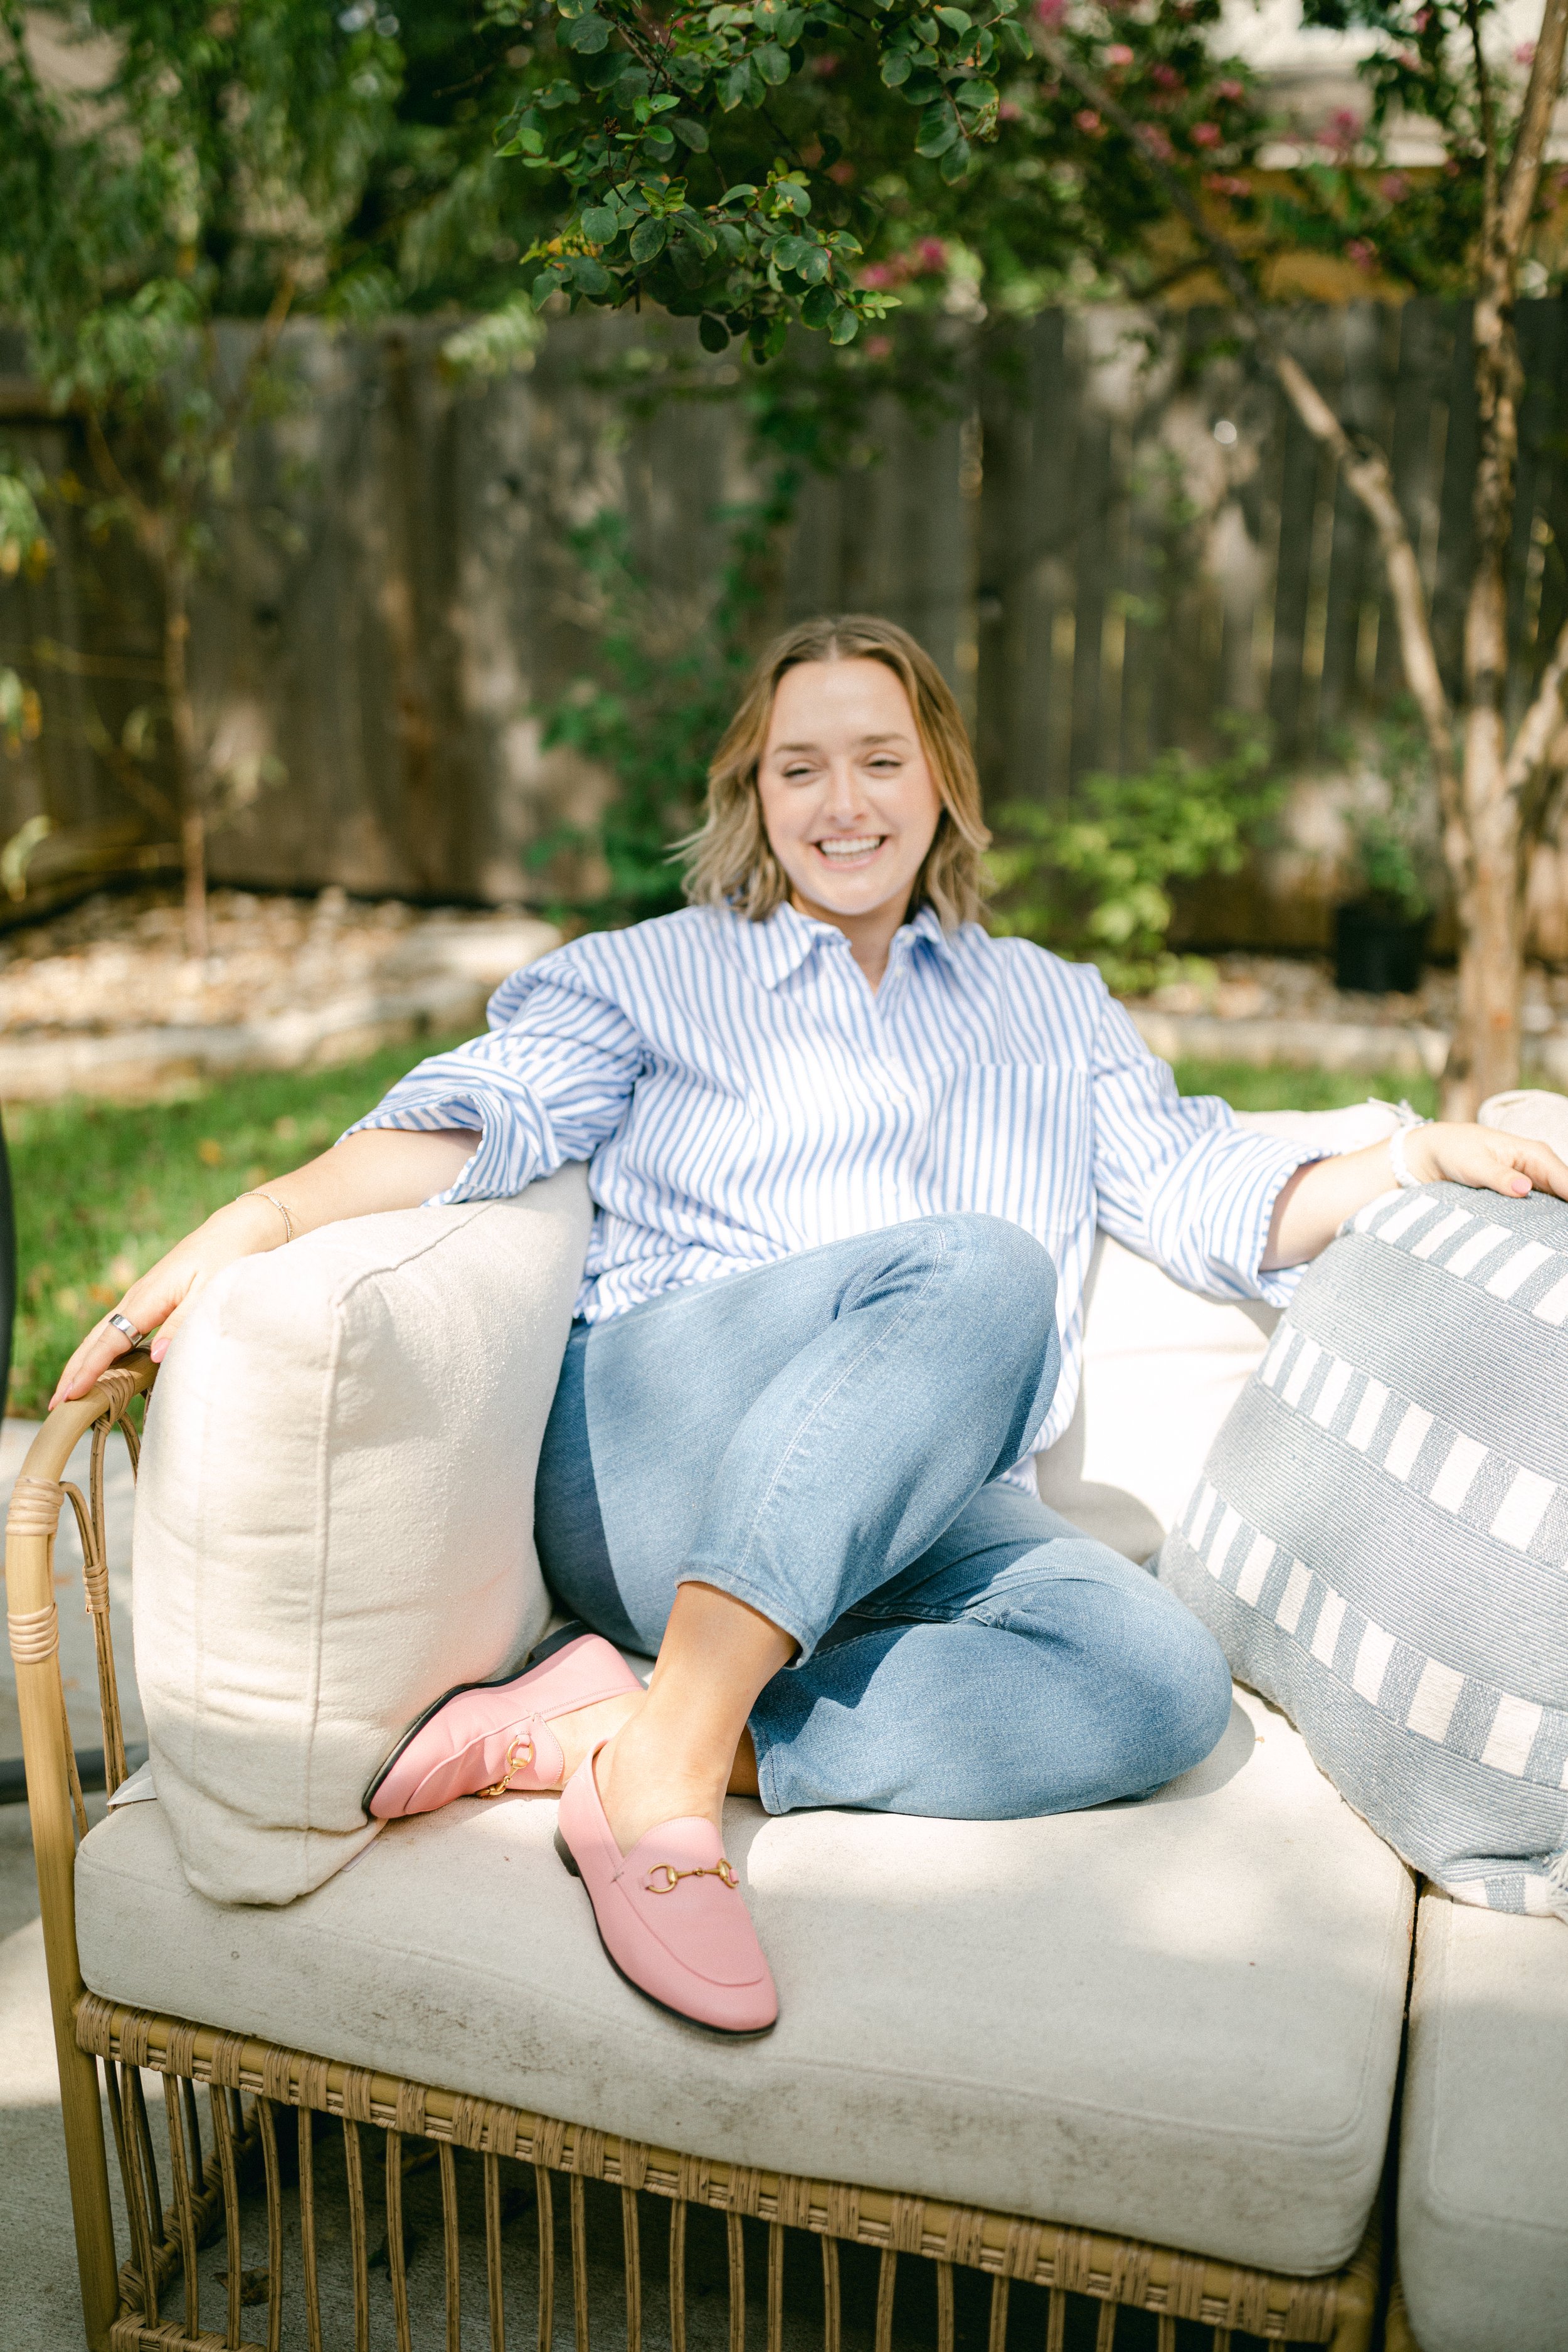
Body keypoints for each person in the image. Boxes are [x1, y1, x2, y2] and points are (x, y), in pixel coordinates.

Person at [55, 615, 1568, 2038]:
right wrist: (256, 1222)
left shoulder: (1048, 1007)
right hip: (652, 1453)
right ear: (751, 794)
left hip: (915, 1508)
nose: (841, 802)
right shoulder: (652, 972)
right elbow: (484, 1121)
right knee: (981, 1273)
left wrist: (1405, 1160)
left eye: (878, 760)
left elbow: (1200, 1184)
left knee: (1153, 1680)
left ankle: (652, 1729)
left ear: (941, 785)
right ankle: (663, 1780)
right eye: (799, 767)